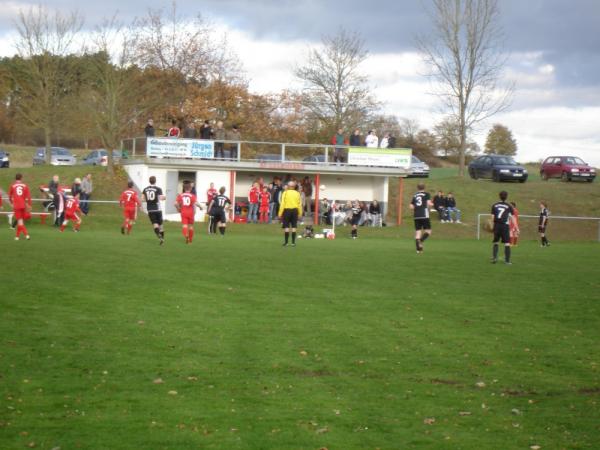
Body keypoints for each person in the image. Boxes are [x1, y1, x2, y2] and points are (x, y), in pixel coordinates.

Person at [491, 191, 516, 264]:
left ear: (499, 196)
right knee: (507, 243)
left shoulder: (494, 205)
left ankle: (495, 258)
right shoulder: (509, 206)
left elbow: (492, 217)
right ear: (506, 197)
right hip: (505, 226)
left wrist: (493, 226)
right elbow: (512, 218)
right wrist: (516, 227)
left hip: (497, 225)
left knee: (496, 242)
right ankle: (507, 261)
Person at [410, 183, 433, 253]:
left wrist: (416, 208)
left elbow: (411, 206)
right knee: (428, 231)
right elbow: (429, 204)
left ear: (417, 188)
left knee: (418, 232)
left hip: (416, 215)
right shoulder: (426, 194)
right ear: (424, 188)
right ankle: (421, 241)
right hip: (424, 215)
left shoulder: (415, 195)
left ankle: (418, 250)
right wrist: (432, 204)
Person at [278, 180, 303, 246]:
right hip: (295, 211)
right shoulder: (297, 193)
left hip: (287, 211)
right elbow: (299, 204)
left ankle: (286, 243)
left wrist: (280, 214)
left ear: (288, 186)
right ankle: (293, 243)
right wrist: (300, 213)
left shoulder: (285, 193)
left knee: (286, 227)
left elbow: (282, 204)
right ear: (294, 187)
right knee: (294, 226)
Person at [142, 176, 166, 245]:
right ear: (155, 181)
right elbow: (161, 198)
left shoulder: (145, 189)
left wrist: (148, 200)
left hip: (150, 209)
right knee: (160, 225)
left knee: (155, 224)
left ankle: (159, 237)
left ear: (149, 181)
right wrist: (165, 197)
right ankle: (162, 240)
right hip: (157, 209)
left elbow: (142, 199)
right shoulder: (158, 189)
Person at [8, 173, 32, 241]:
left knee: (20, 221)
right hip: (23, 205)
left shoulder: (12, 186)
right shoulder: (25, 186)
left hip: (17, 205)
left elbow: (9, 196)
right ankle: (17, 237)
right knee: (20, 221)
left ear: (15, 178)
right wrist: (29, 205)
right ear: (21, 178)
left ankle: (27, 235)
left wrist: (11, 203)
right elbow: (28, 196)